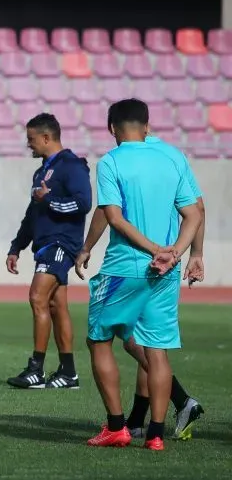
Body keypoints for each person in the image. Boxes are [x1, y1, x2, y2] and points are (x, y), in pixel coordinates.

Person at [84, 98, 202, 451]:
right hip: (166, 271)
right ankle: (155, 435)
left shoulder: (111, 162)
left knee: (98, 339)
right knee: (157, 351)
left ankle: (118, 427)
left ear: (112, 129)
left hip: (125, 267)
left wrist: (155, 251)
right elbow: (194, 213)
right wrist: (177, 253)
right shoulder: (171, 157)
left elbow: (114, 218)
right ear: (147, 126)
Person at [5, 113, 91, 390]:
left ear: (46, 137)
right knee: (56, 306)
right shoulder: (42, 170)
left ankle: (36, 370)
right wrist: (17, 246)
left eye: (31, 139)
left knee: (37, 298)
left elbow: (84, 203)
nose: (28, 144)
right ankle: (68, 373)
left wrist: (50, 199)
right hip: (44, 245)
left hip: (60, 244)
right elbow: (33, 214)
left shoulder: (71, 166)